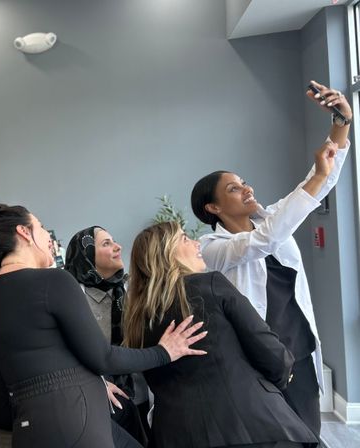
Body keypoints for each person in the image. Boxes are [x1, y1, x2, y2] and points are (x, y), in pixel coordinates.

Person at [0, 197, 207, 448]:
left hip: (31, 425)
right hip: (74, 420)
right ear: (24, 232)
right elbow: (103, 358)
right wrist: (165, 352)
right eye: (40, 227)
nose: (48, 236)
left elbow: (45, 356)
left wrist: (97, 382)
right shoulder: (54, 281)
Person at [190, 80, 352, 439]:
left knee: (308, 434)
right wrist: (318, 177)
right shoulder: (211, 246)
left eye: (245, 182)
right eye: (234, 188)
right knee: (274, 437)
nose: (247, 188)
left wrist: (340, 124)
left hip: (300, 351)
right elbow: (262, 242)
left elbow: (317, 183)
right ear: (212, 208)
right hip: (257, 360)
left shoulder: (271, 218)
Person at [123, 221, 317, 448]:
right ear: (166, 253)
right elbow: (270, 351)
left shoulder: (136, 318)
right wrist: (278, 381)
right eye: (185, 239)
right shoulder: (211, 284)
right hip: (250, 425)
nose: (197, 243)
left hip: (176, 435)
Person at [65, 226, 150, 446]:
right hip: (96, 399)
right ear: (86, 255)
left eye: (114, 241)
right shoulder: (71, 298)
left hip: (139, 391)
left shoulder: (134, 289)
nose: (118, 247)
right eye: (106, 243)